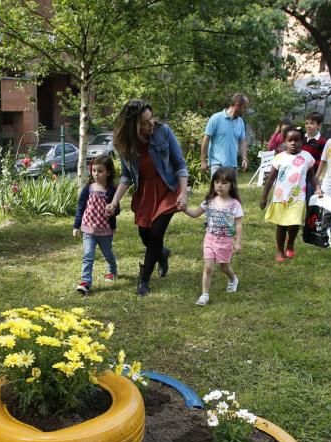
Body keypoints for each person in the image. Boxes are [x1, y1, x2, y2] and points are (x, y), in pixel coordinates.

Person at [106, 99, 189, 297]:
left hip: (168, 188)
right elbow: (126, 176)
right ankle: (162, 254)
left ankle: (143, 280)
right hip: (145, 193)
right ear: (133, 126)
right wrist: (115, 201)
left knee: (156, 233)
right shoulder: (124, 144)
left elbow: (180, 163)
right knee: (145, 235)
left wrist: (183, 192)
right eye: (145, 122)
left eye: (151, 119)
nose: (151, 124)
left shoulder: (164, 132)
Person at [183, 167, 243, 306]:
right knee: (208, 267)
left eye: (224, 183)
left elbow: (238, 224)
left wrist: (238, 242)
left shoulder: (235, 204)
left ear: (231, 185)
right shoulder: (209, 201)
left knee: (224, 268)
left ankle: (233, 279)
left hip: (226, 241)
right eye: (216, 182)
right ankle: (204, 294)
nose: (219, 186)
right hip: (210, 239)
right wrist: (185, 209)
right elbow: (195, 213)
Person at [260, 125, 317, 262]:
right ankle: (280, 250)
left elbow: (311, 177)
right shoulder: (279, 158)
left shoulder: (307, 157)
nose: (293, 143)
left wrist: (318, 188)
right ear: (285, 141)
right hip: (280, 197)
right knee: (281, 225)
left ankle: (290, 243)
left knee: (294, 224)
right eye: (290, 140)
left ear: (301, 141)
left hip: (298, 197)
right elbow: (271, 178)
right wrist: (264, 196)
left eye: (296, 140)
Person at [73, 155, 120, 295]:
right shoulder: (88, 188)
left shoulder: (112, 190)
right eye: (94, 171)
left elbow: (117, 209)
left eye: (100, 171)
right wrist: (76, 226)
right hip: (88, 230)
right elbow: (81, 207)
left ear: (108, 172)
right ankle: (85, 282)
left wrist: (112, 210)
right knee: (88, 255)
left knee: (107, 254)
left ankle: (112, 271)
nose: (96, 174)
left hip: (105, 231)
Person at [200, 93, 250, 178]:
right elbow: (206, 139)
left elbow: (242, 141)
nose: (245, 110)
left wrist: (244, 158)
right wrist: (203, 161)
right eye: (244, 107)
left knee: (232, 191)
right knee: (218, 190)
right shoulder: (216, 118)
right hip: (217, 164)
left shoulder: (240, 122)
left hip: (232, 165)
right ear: (237, 105)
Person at [300, 112, 327, 253]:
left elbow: (322, 160)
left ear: (319, 125)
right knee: (298, 199)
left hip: (311, 176)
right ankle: (296, 220)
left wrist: (311, 164)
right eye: (307, 123)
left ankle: (308, 224)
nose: (309, 126)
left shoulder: (322, 141)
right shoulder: (301, 138)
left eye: (312, 123)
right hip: (298, 177)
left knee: (310, 200)